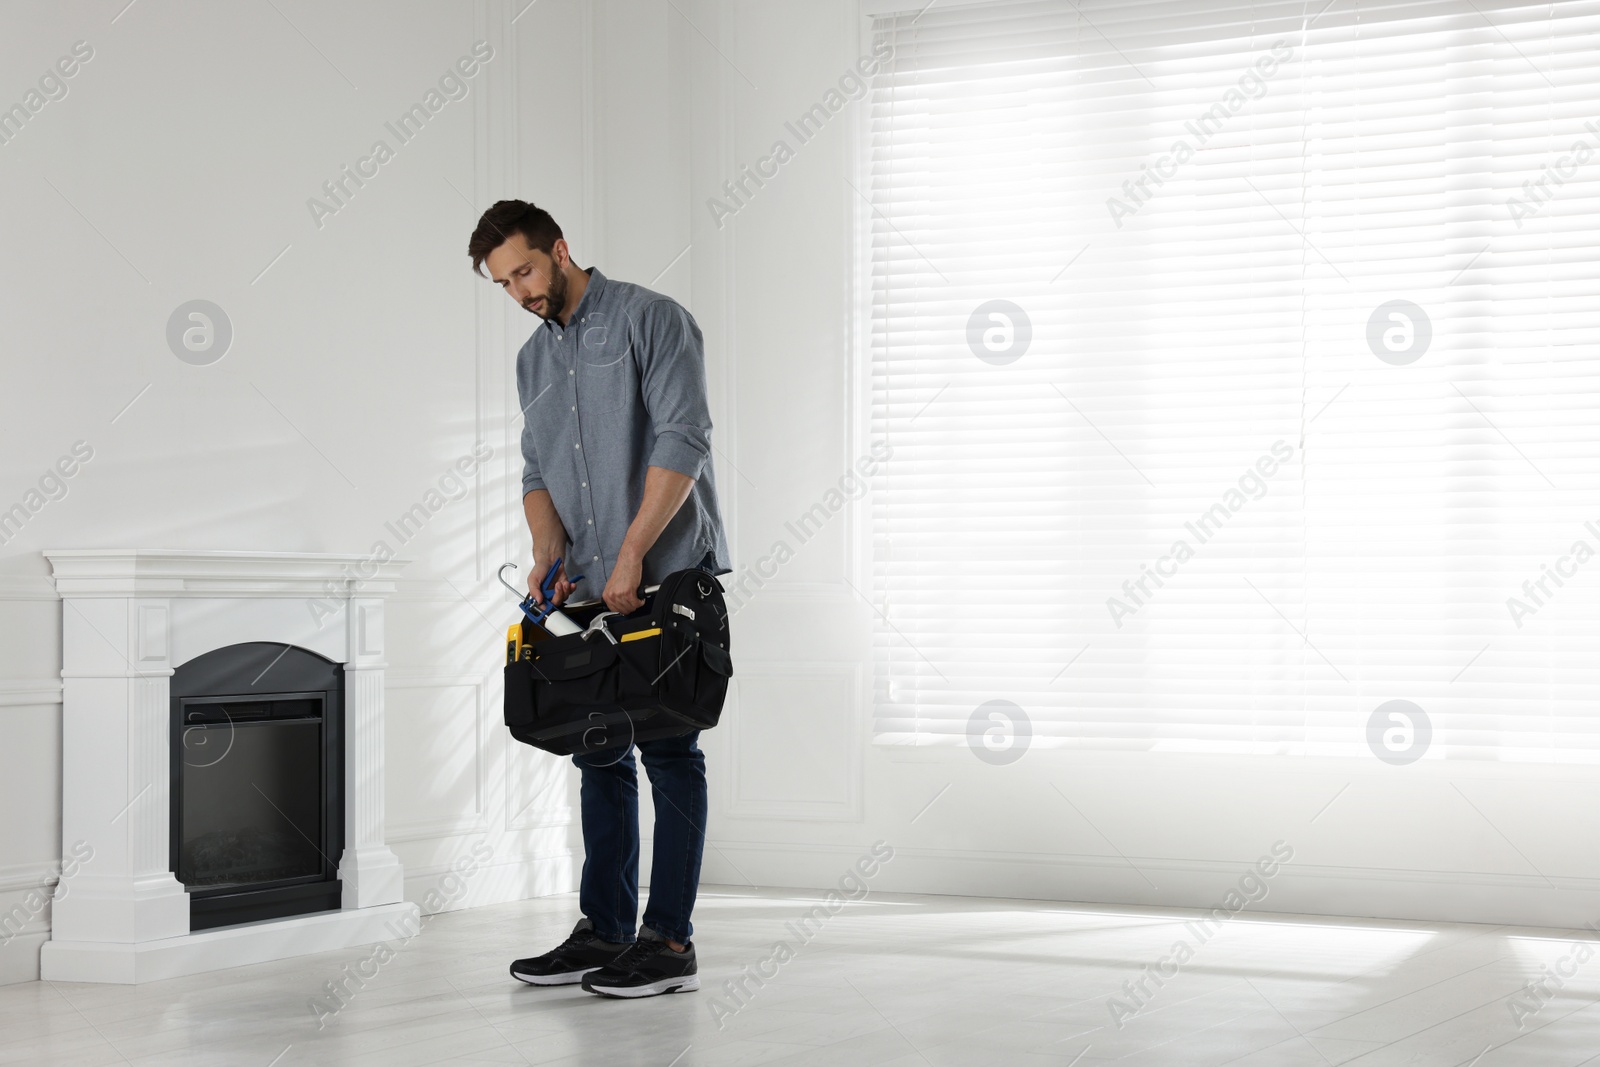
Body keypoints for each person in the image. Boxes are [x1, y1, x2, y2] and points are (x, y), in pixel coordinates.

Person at [468, 200, 731, 998]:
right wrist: (549, 551)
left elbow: (683, 438)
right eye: (502, 282)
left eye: (524, 270)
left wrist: (631, 551)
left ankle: (670, 941)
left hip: (665, 573)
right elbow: (537, 472)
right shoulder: (530, 363)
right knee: (598, 751)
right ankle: (607, 928)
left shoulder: (654, 320)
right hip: (585, 586)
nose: (518, 290)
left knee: (670, 750)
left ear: (560, 249)